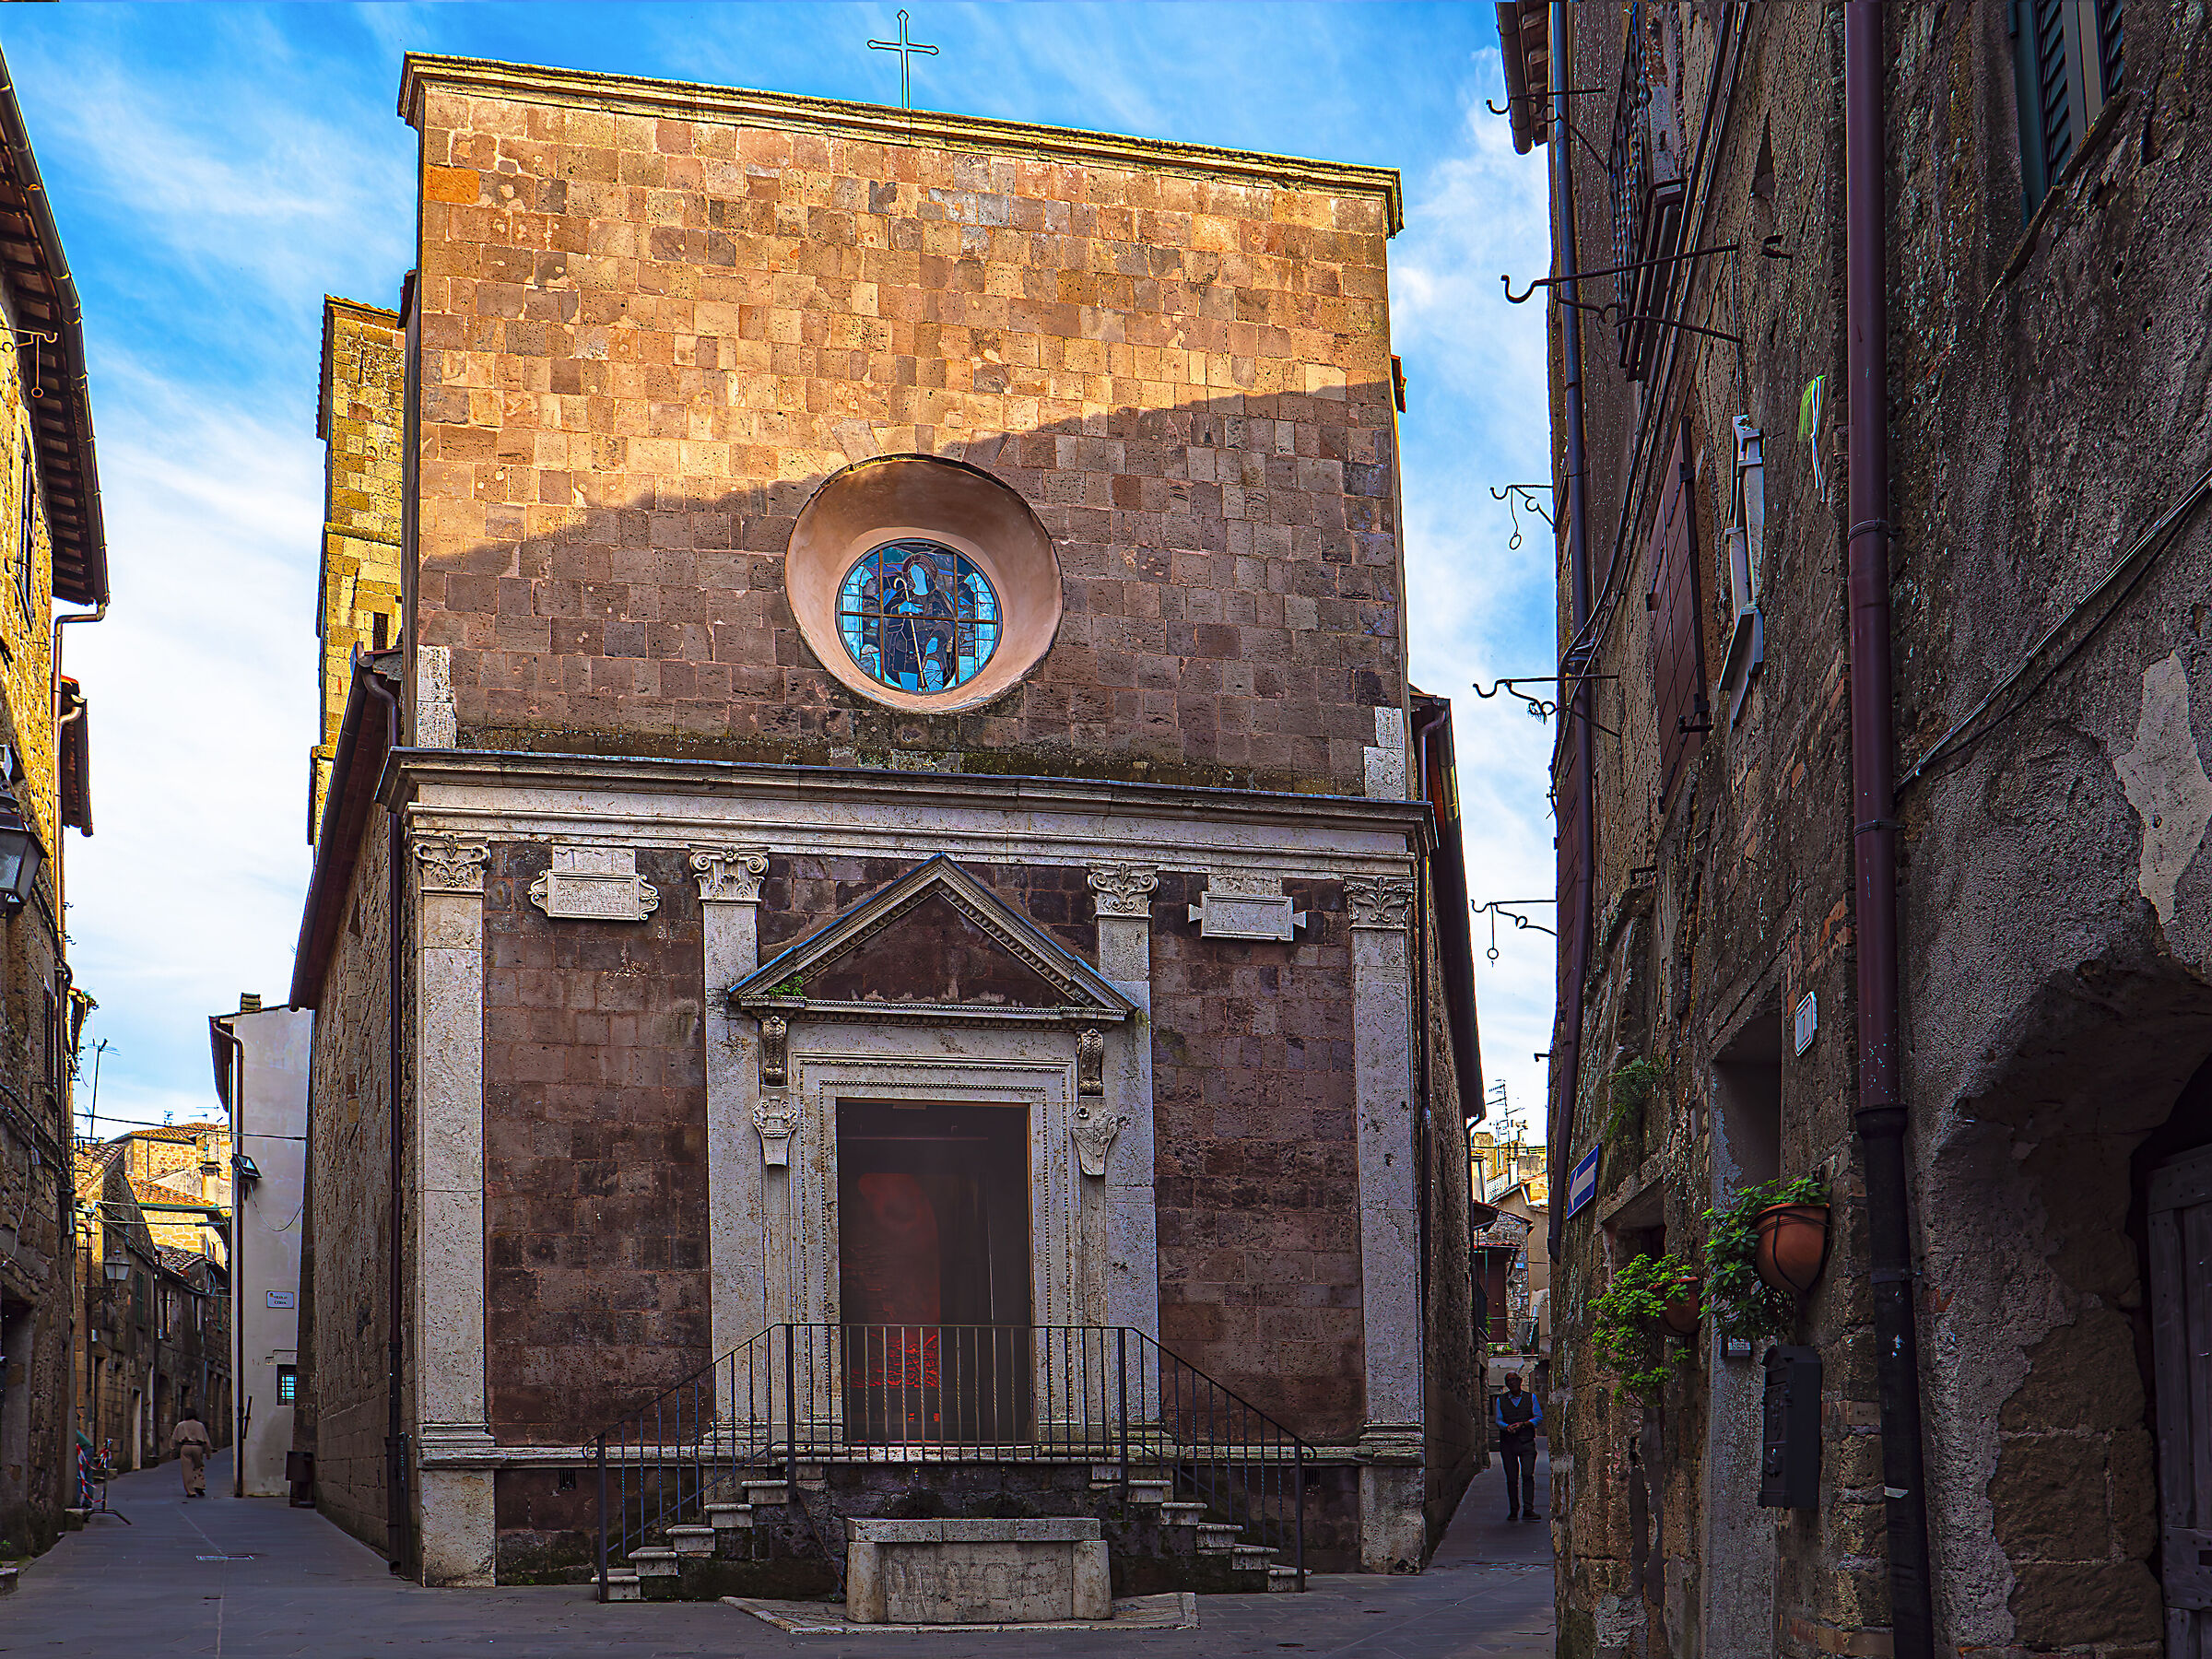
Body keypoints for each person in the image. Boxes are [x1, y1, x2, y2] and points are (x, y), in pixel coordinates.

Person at [1494, 1371, 1542, 1520]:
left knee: (1527, 1475)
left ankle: (1528, 1508)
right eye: (1509, 1381)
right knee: (1511, 1478)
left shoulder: (1530, 1398)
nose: (1512, 1383)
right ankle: (1514, 1509)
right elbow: (1499, 1419)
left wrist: (1524, 1424)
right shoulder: (1501, 1400)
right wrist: (1506, 1427)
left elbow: (1538, 1417)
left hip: (1526, 1442)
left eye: (1514, 1380)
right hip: (1508, 1443)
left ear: (1520, 1381)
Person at [171, 1406, 212, 1499]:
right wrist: (208, 1452)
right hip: (197, 1446)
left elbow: (174, 1439)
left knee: (187, 1469)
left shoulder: (181, 1425)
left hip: (185, 1447)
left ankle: (190, 1491)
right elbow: (206, 1440)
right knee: (198, 1467)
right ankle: (199, 1485)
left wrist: (173, 1450)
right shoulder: (200, 1425)